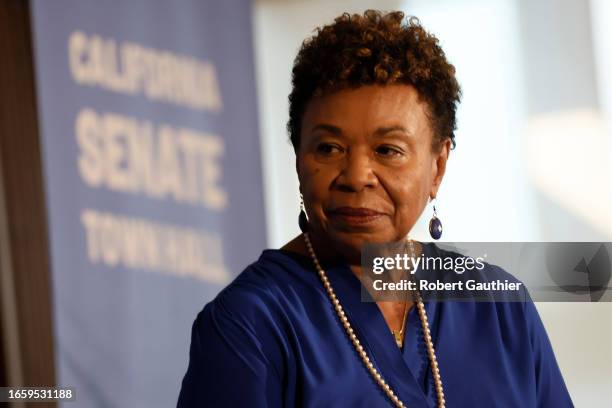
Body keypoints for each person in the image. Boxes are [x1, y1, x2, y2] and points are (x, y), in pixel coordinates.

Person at [177, 10, 573, 407]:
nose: (356, 176)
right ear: (299, 155)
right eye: (329, 148)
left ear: (438, 165)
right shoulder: (250, 322)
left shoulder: (499, 311)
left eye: (388, 150)